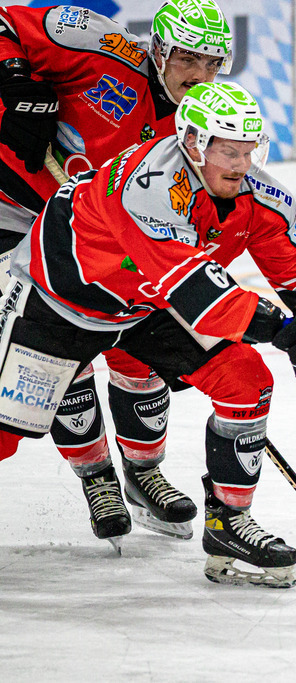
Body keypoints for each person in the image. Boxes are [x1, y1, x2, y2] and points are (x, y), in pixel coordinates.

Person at [0, 81, 296, 588]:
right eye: (229, 151)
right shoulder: (151, 183)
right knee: (6, 432)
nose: (242, 164)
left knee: (246, 381)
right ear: (193, 142)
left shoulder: (260, 196)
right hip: (59, 301)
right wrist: (288, 331)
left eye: (249, 150)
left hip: (147, 306)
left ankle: (228, 524)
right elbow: (199, 293)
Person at [0, 0, 233, 544]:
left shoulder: (200, 124)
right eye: (188, 59)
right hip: (14, 209)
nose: (200, 76)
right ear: (158, 51)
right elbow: (5, 22)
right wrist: (14, 81)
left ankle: (144, 474)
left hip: (101, 238)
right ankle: (97, 479)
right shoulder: (98, 46)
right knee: (59, 352)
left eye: (213, 64)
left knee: (137, 351)